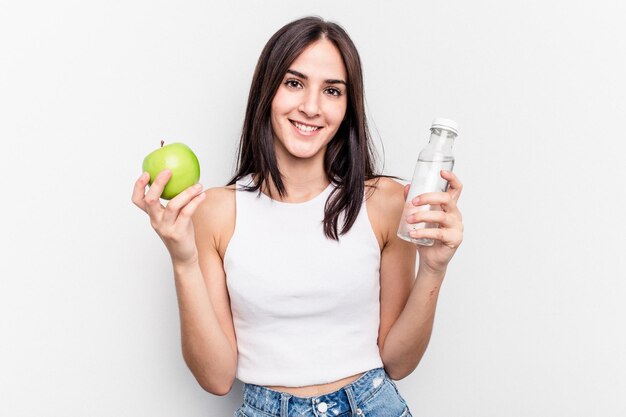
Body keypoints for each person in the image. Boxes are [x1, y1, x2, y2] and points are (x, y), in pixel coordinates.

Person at [132, 16, 464, 417]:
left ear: (347, 106)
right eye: (294, 83)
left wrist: (433, 269)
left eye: (332, 90)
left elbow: (398, 362)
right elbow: (216, 378)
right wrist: (182, 259)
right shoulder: (217, 211)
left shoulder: (385, 201)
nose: (311, 106)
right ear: (267, 91)